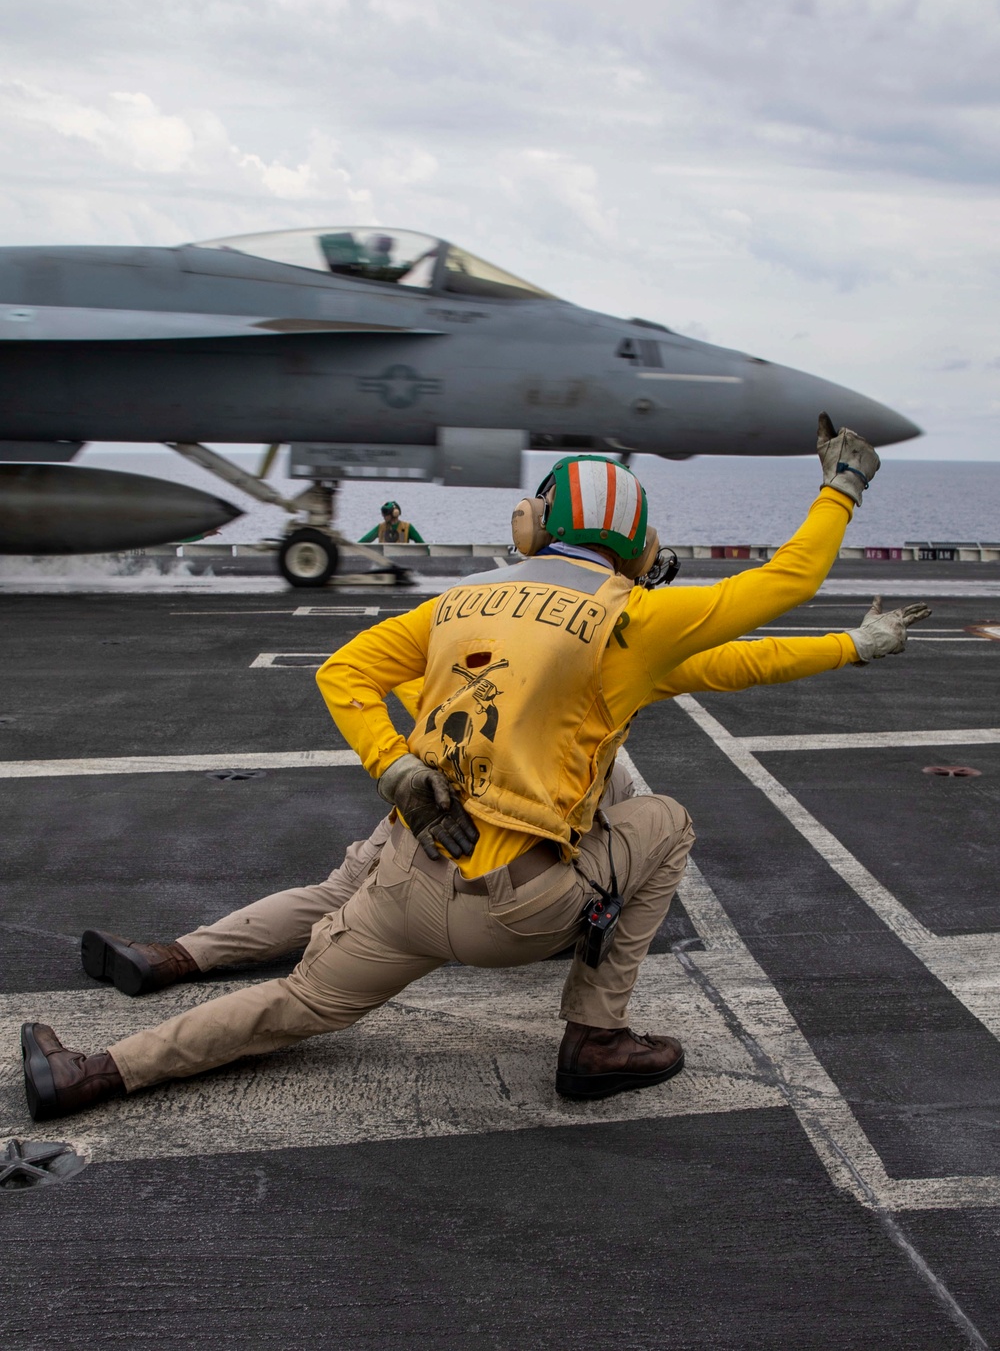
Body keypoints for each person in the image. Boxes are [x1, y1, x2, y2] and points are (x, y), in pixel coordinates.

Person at [21, 416, 889, 1120]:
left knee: (293, 1004)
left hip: (407, 888)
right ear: (637, 541)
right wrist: (841, 494)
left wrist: (396, 765)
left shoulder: (461, 600)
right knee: (664, 822)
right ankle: (595, 1036)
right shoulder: (633, 617)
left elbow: (343, 672)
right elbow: (784, 587)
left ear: (537, 524)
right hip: (517, 913)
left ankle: (94, 1073)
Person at [78, 592, 930, 999]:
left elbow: (371, 676)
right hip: (507, 866)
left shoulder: (489, 604)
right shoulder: (616, 630)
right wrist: (854, 644)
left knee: (335, 894)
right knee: (651, 822)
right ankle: (597, 1023)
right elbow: (744, 662)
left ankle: (173, 955)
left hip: (425, 807)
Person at [358, 501, 425, 545]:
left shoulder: (407, 527)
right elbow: (366, 539)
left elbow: (421, 543)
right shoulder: (381, 527)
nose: (383, 516)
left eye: (386, 514)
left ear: (394, 513)